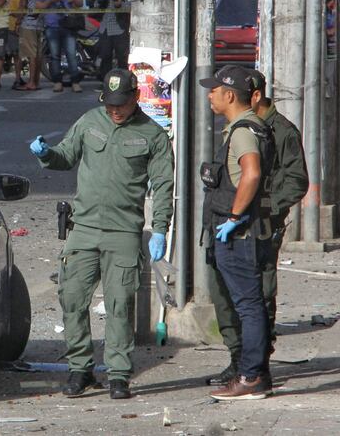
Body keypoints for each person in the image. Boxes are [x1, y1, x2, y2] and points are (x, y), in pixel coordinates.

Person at [29, 69, 174, 400]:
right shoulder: (89, 121)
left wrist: (161, 229)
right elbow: (66, 155)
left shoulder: (152, 135)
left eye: (121, 104)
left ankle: (119, 373)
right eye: (110, 105)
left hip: (123, 232)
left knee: (120, 303)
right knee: (72, 298)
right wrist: (46, 155)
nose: (115, 110)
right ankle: (80, 370)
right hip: (84, 229)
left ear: (136, 98)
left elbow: (164, 185)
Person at [206, 69, 308, 388]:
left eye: (217, 91)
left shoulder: (276, 130)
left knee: (258, 297)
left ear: (251, 96)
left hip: (259, 226)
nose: (211, 96)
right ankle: (239, 360)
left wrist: (258, 211)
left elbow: (294, 181)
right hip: (233, 223)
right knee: (225, 294)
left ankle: (255, 367)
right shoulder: (238, 127)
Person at [199, 66, 275, 401]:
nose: (209, 95)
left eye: (214, 90)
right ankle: (254, 373)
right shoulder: (248, 127)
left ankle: (251, 377)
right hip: (243, 232)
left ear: (230, 95)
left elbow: (252, 174)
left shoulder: (243, 131)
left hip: (239, 234)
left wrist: (233, 216)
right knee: (250, 304)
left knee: (248, 305)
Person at [36, 0, 83, 93]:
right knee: (54, 56)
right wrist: (48, 1)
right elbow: (38, 5)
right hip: (52, 26)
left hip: (68, 26)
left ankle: (75, 82)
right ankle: (57, 81)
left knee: (71, 55)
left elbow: (80, 2)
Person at [94, 0, 131, 81]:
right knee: (105, 56)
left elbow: (131, 6)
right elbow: (96, 6)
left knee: (122, 57)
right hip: (105, 28)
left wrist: (121, 5)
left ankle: (123, 82)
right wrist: (99, 0)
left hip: (120, 28)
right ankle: (105, 82)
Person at [16, 0, 43, 91]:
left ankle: (31, 82)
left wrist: (17, 21)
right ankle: (36, 81)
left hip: (28, 22)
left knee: (30, 53)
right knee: (36, 53)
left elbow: (22, 4)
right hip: (39, 23)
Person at [3, 0, 22, 85]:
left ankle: (18, 78)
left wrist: (18, 21)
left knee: (16, 53)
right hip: (0, 25)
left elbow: (22, 8)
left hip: (13, 25)